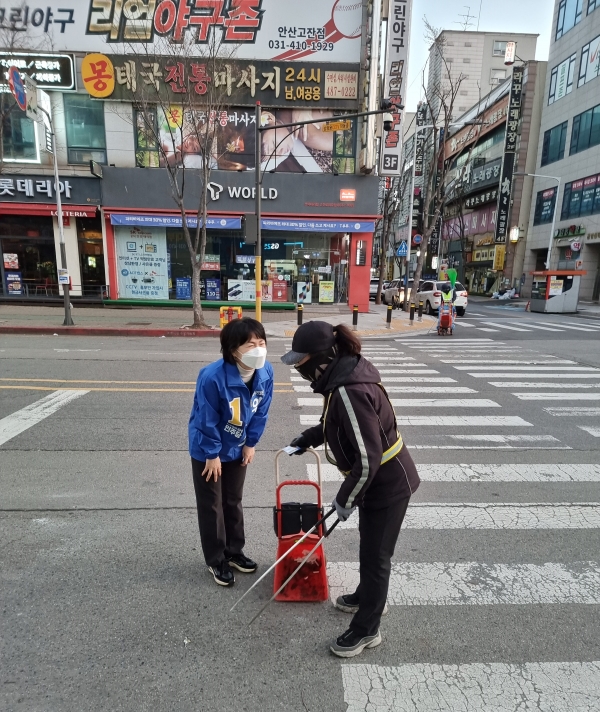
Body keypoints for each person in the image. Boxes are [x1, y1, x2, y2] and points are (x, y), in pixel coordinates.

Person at [282, 321, 420, 657]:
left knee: (376, 557)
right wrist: (308, 439)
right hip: (376, 482)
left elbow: (369, 458)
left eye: (303, 363)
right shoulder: (342, 379)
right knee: (370, 551)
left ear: (325, 357)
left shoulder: (349, 390)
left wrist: (344, 499)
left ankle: (367, 629)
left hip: (387, 484)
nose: (301, 370)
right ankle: (368, 596)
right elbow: (337, 424)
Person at [189, 318, 274, 587]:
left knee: (233, 500)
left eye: (261, 343)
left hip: (238, 447)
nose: (258, 349)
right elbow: (206, 418)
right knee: (212, 505)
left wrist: (251, 443)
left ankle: (234, 552)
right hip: (208, 448)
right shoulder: (212, 376)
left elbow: (261, 411)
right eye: (251, 344)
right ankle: (216, 560)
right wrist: (211, 454)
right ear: (233, 348)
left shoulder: (266, 372)